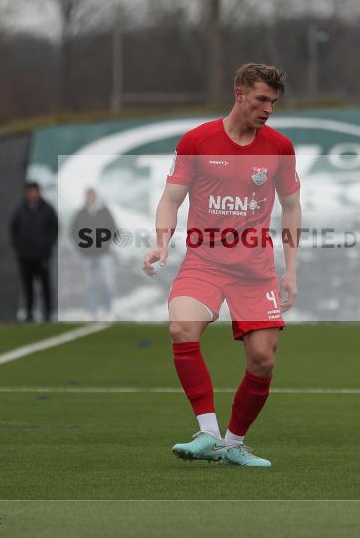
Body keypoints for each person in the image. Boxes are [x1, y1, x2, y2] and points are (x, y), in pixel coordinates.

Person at [142, 63, 301, 467]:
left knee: (263, 359)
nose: (268, 109)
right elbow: (171, 198)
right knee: (181, 327)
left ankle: (233, 444)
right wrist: (162, 242)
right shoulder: (197, 141)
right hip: (204, 262)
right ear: (240, 93)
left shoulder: (279, 148)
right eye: (262, 99)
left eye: (274, 102)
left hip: (254, 270)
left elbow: (292, 206)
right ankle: (208, 433)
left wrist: (292, 268)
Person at [9, 181, 59, 322]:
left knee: (45, 285)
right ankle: (29, 313)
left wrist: (47, 246)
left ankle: (48, 313)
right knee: (27, 286)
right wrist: (19, 248)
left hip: (42, 255)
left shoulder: (47, 209)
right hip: (25, 256)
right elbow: (14, 231)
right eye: (30, 191)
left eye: (35, 191)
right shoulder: (20, 210)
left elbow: (54, 230)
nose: (33, 194)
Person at [71, 187, 119, 319]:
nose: (91, 198)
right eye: (88, 195)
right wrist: (82, 248)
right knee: (90, 284)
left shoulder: (104, 212)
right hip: (87, 255)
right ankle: (92, 312)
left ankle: (108, 311)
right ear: (85, 197)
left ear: (96, 196)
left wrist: (106, 244)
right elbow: (74, 232)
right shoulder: (80, 213)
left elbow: (114, 229)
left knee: (108, 283)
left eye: (93, 195)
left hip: (104, 254)